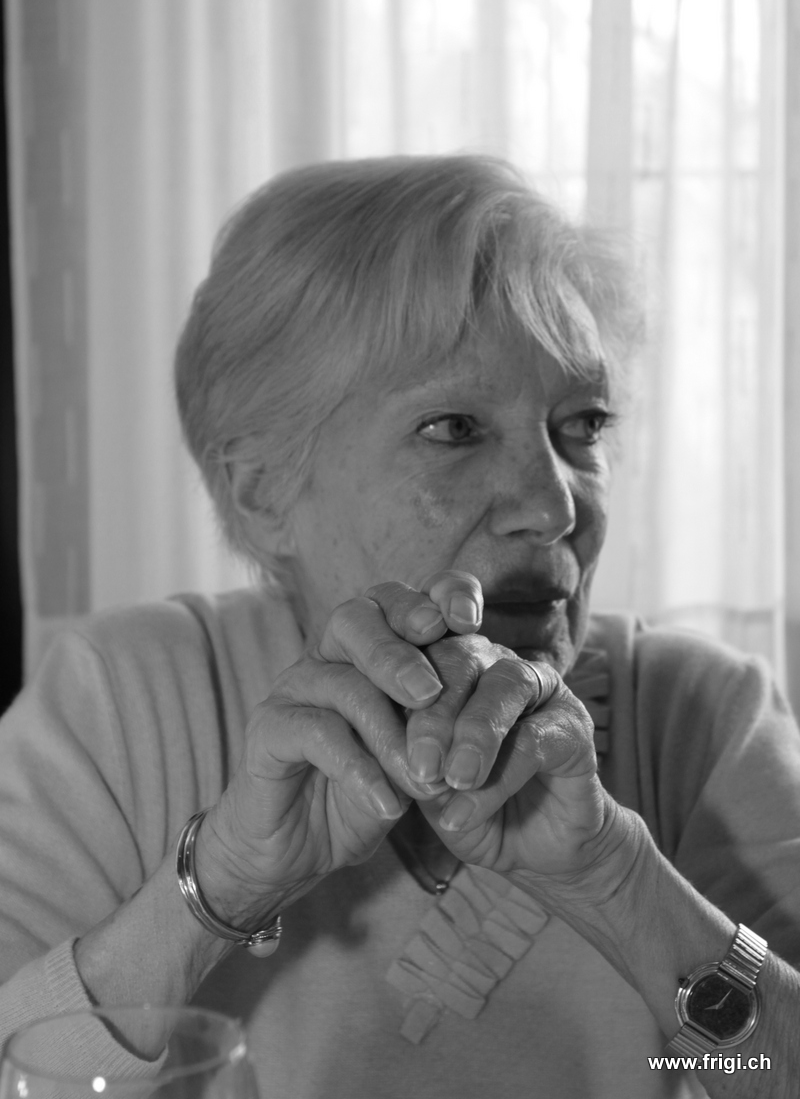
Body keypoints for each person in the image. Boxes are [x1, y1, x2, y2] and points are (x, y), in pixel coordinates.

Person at [1, 155, 799, 1099]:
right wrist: (217, 886)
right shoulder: (118, 707)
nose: (554, 508)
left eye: (582, 426)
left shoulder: (704, 717)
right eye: (455, 428)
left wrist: (621, 884)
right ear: (263, 492)